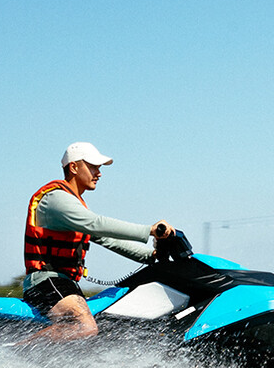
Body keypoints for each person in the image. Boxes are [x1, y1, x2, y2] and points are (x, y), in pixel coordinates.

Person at [21, 141, 173, 342]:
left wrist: (150, 256)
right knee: (85, 328)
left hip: (65, 284)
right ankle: (17, 350)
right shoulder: (56, 199)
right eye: (92, 167)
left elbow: (107, 239)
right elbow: (96, 224)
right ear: (74, 167)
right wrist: (149, 231)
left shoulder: (74, 203)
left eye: (99, 168)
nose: (98, 173)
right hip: (46, 282)